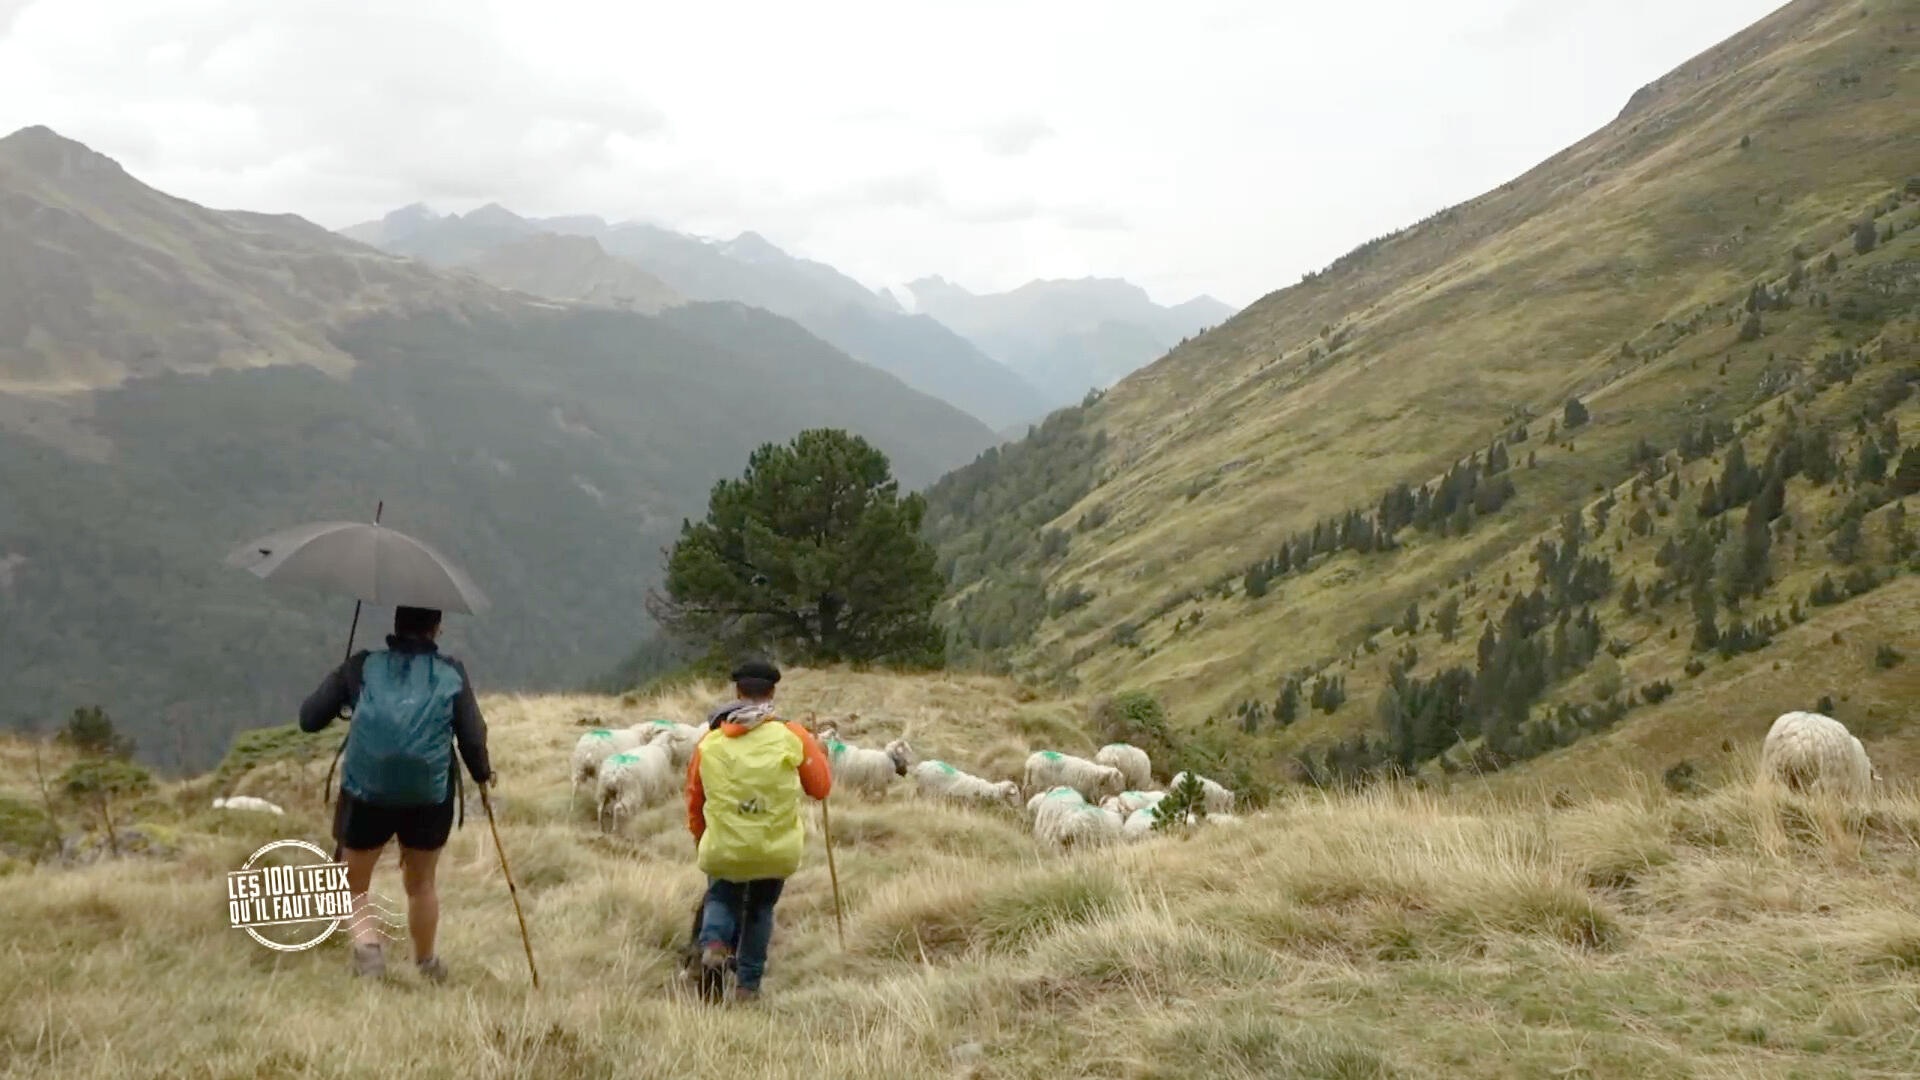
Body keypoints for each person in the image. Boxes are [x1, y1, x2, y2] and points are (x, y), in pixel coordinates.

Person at [299, 605, 492, 983]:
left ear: (396, 625)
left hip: (366, 792)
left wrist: (343, 684)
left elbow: (309, 719)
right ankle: (427, 964)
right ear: (436, 628)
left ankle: (368, 952)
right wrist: (483, 776)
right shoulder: (451, 673)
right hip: (429, 796)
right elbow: (472, 736)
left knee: (353, 883)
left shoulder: (362, 667)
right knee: (421, 884)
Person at [685, 659, 831, 1003]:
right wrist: (819, 755)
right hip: (775, 848)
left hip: (725, 846)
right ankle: (748, 987)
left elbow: (695, 796)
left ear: (737, 692)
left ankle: (715, 946)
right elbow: (820, 789)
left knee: (722, 896)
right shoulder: (792, 735)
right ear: (772, 692)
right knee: (761, 909)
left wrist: (700, 836)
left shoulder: (711, 741)